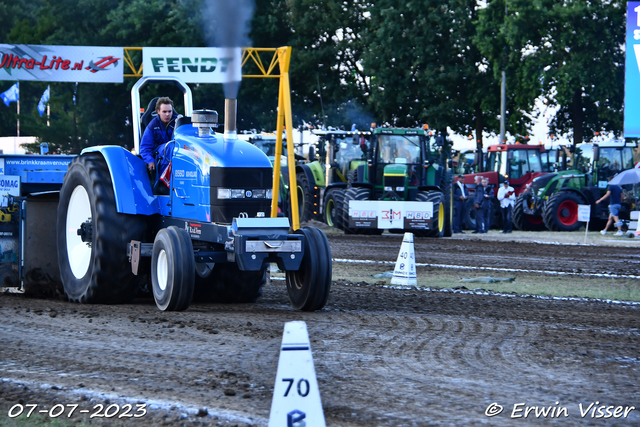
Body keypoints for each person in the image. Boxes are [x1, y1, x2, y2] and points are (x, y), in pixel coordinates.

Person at [140, 97, 178, 193]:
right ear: (158, 111)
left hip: (176, 153)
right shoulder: (152, 126)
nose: (167, 114)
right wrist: (150, 161)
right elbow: (144, 147)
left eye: (170, 111)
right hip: (158, 155)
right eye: (164, 112)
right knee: (169, 147)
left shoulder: (178, 123)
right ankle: (163, 183)